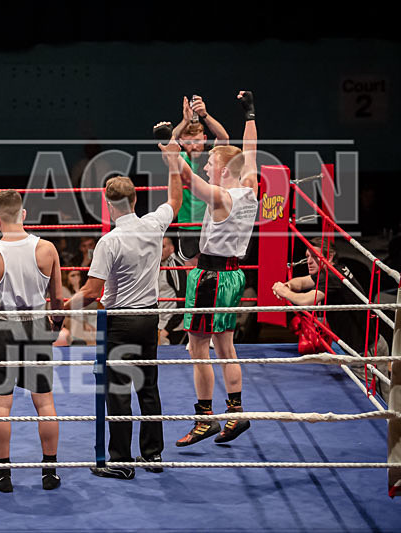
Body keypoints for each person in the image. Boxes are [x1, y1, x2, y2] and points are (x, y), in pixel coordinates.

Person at [66, 169, 183, 479]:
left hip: (121, 321)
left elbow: (91, 293)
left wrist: (61, 310)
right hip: (149, 317)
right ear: (134, 198)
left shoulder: (110, 241)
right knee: (148, 386)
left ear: (108, 205)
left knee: (118, 390)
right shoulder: (154, 224)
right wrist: (172, 162)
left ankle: (120, 460)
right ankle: (153, 454)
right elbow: (176, 198)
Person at [170, 91, 259, 447]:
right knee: (226, 347)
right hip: (233, 275)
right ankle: (235, 414)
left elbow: (190, 180)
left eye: (211, 163)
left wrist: (170, 149)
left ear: (222, 169)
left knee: (197, 348)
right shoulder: (249, 187)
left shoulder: (223, 197)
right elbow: (249, 150)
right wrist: (249, 113)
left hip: (211, 277)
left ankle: (205, 418)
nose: (207, 165)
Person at [0, 189, 65, 493]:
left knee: (1, 404)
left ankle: (4, 475)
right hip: (37, 326)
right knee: (45, 402)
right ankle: (49, 472)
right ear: (23, 214)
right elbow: (59, 300)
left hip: (2, 329)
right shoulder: (47, 249)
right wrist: (54, 329)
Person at [271, 238, 389, 358]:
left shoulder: (332, 277)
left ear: (329, 257)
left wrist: (284, 292)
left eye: (315, 256)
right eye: (307, 256)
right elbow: (302, 282)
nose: (309, 261)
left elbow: (305, 300)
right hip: (369, 347)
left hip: (367, 353)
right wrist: (288, 285)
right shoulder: (334, 270)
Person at [167, 95, 230, 267]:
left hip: (211, 223)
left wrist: (205, 114)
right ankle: (191, 296)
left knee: (213, 269)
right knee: (191, 269)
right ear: (181, 142)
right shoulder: (178, 157)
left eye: (196, 141)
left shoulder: (213, 156)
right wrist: (184, 120)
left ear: (203, 138)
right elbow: (168, 142)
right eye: (187, 142)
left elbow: (224, 137)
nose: (193, 146)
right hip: (187, 225)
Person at [158, 236, 187, 345]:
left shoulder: (174, 266)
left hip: (173, 328)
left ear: (172, 249)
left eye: (163, 247)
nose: (160, 250)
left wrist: (166, 330)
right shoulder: (161, 265)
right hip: (162, 324)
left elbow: (182, 300)